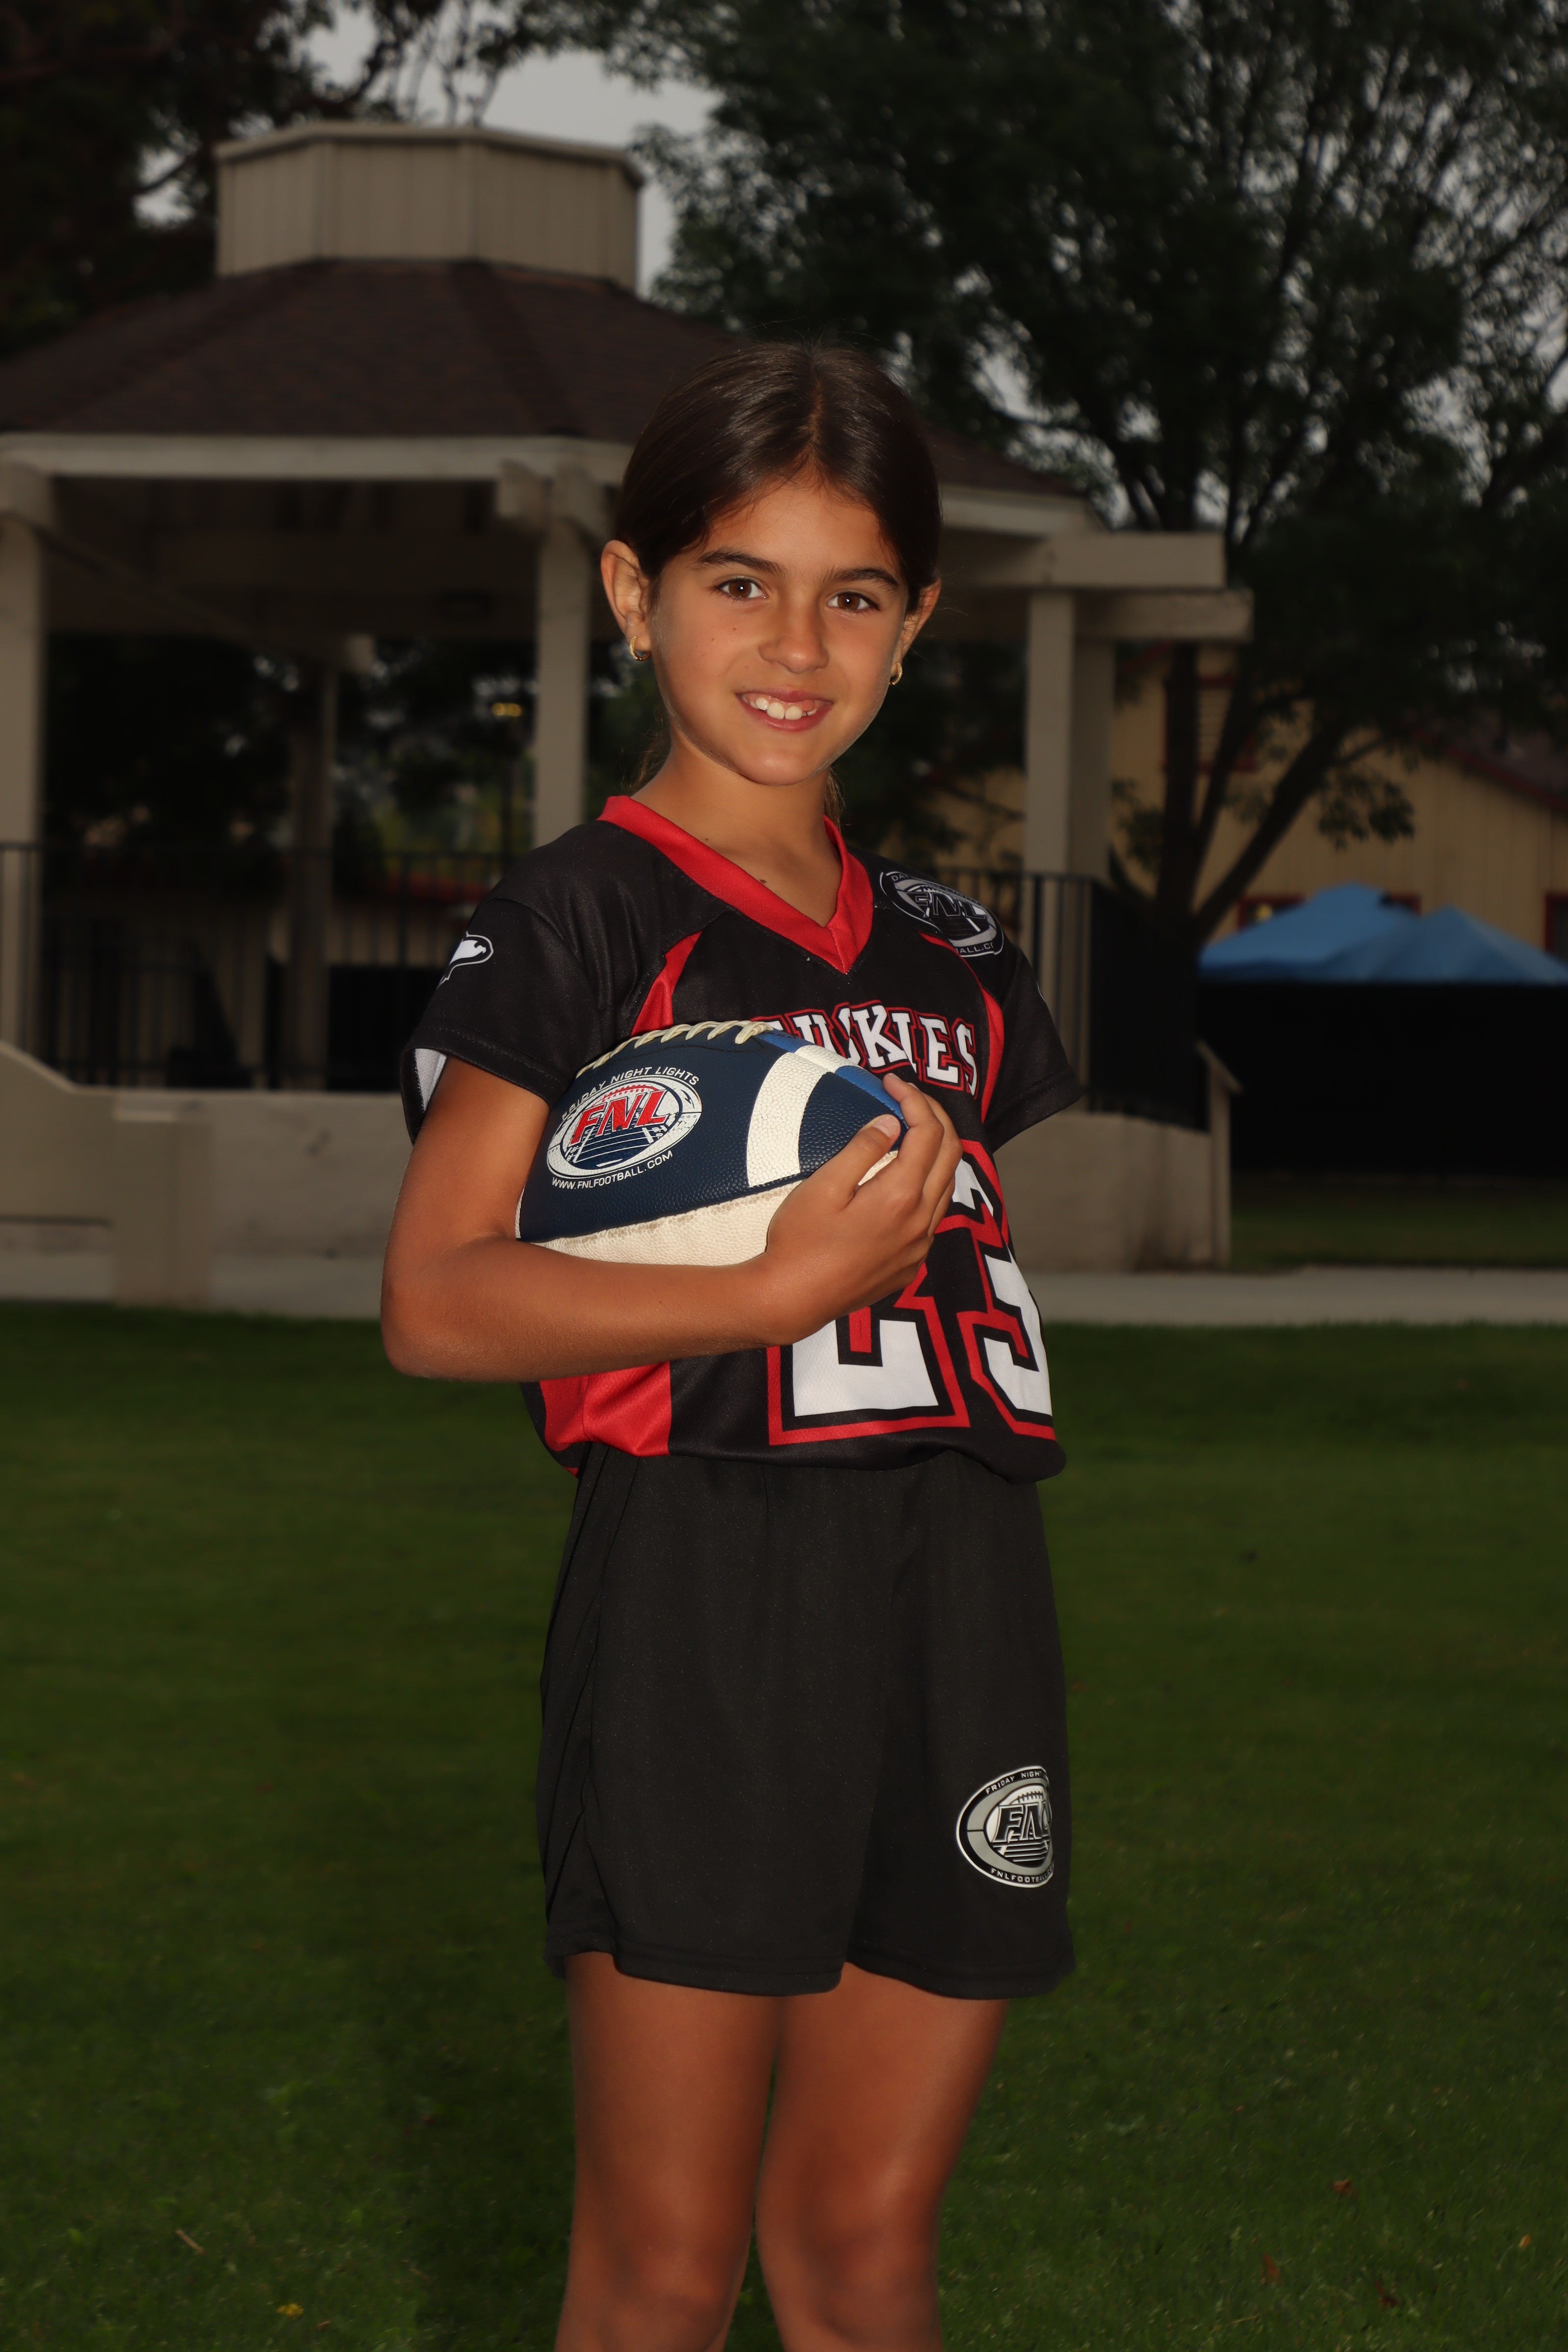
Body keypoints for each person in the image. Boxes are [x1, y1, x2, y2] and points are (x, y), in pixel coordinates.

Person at [382, 342, 1082, 2352]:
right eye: (738, 582)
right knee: (664, 2275)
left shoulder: (957, 949)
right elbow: (435, 1298)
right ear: (635, 593)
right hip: (704, 1585)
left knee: (864, 2254)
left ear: (914, 623)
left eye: (851, 595)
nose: (795, 645)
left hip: (958, 1585)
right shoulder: (577, 918)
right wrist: (765, 1300)